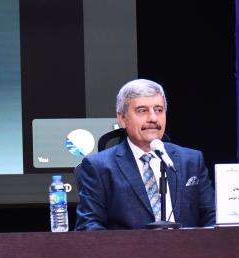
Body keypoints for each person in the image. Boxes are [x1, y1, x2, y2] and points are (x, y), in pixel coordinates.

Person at [75, 79, 215, 230]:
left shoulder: (191, 160)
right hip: (130, 245)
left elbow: (213, 216)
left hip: (187, 245)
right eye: (142, 110)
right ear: (122, 118)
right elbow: (88, 226)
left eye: (159, 110)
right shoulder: (99, 167)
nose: (153, 118)